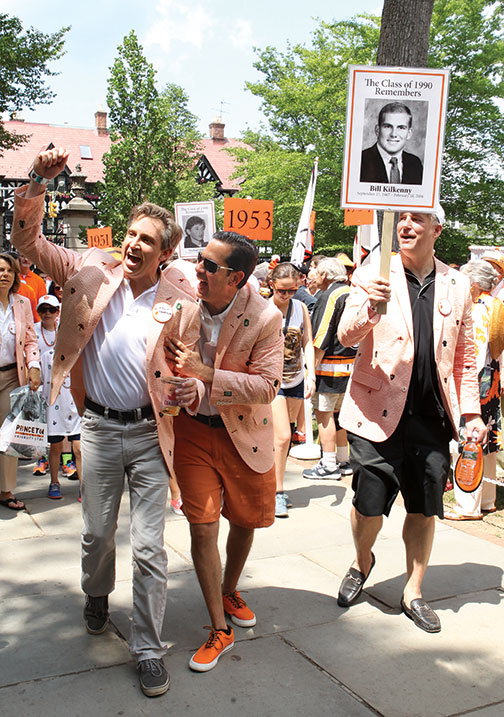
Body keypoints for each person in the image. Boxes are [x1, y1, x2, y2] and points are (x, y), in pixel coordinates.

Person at [12, 147, 202, 698]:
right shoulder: (87, 271)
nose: (135, 244)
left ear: (168, 251)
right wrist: (35, 183)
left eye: (149, 239)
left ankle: (147, 646)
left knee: (149, 548)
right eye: (132, 235)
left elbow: (185, 372)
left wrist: (189, 390)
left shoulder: (181, 303)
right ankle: (96, 593)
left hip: (148, 436)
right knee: (97, 537)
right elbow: (28, 243)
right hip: (94, 432)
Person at [336, 207, 485, 634]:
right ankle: (362, 562)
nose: (406, 225)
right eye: (401, 217)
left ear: (437, 229)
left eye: (418, 219)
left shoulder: (457, 284)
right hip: (373, 413)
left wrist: (471, 411)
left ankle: (413, 591)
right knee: (368, 506)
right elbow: (346, 337)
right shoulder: (373, 271)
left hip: (431, 416)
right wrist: (370, 306)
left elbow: (465, 355)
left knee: (423, 508)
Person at [166, 232, 283, 673]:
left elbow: (268, 387)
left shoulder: (267, 316)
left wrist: (206, 373)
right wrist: (187, 384)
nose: (198, 269)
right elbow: (172, 361)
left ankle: (229, 586)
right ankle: (219, 627)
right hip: (194, 430)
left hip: (246, 435)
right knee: (202, 527)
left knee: (246, 520)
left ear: (235, 278)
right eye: (199, 259)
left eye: (209, 266)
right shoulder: (184, 304)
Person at [445, 260, 502, 519]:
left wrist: (463, 385)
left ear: (475, 284)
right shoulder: (497, 305)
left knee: (469, 439)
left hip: (476, 382)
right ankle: (488, 499)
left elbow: (473, 355)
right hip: (493, 380)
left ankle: (468, 504)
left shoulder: (478, 310)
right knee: (488, 440)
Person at [302, 258, 356, 480]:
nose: (312, 274)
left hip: (330, 367)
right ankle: (343, 460)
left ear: (325, 275)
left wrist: (310, 372)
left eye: (315, 270)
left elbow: (321, 336)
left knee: (324, 415)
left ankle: (329, 464)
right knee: (339, 416)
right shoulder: (351, 291)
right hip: (350, 365)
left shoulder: (330, 295)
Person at [269, 262, 315, 517]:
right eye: (282, 291)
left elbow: (307, 341)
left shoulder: (300, 308)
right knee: (283, 436)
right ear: (272, 285)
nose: (287, 296)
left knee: (280, 442)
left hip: (295, 378)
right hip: (271, 382)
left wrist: (311, 374)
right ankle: (277, 493)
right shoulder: (264, 309)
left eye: (292, 290)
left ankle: (271, 482)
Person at [0, 253, 40, 511]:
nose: (4, 275)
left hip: (12, 376)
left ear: (15, 276)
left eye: (8, 271)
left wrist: (34, 366)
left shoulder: (22, 303)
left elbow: (31, 340)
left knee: (8, 436)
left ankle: (5, 490)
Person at [34, 294, 83, 501]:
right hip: (53, 406)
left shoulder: (78, 355)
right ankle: (54, 481)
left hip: (74, 406)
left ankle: (84, 484)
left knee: (79, 448)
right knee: (54, 446)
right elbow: (41, 385)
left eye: (51, 310)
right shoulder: (46, 357)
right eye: (43, 309)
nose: (47, 313)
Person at [360, 102, 423, 185]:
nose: (393, 134)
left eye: (401, 128)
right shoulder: (361, 161)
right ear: (377, 130)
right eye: (388, 126)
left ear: (409, 133)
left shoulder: (415, 164)